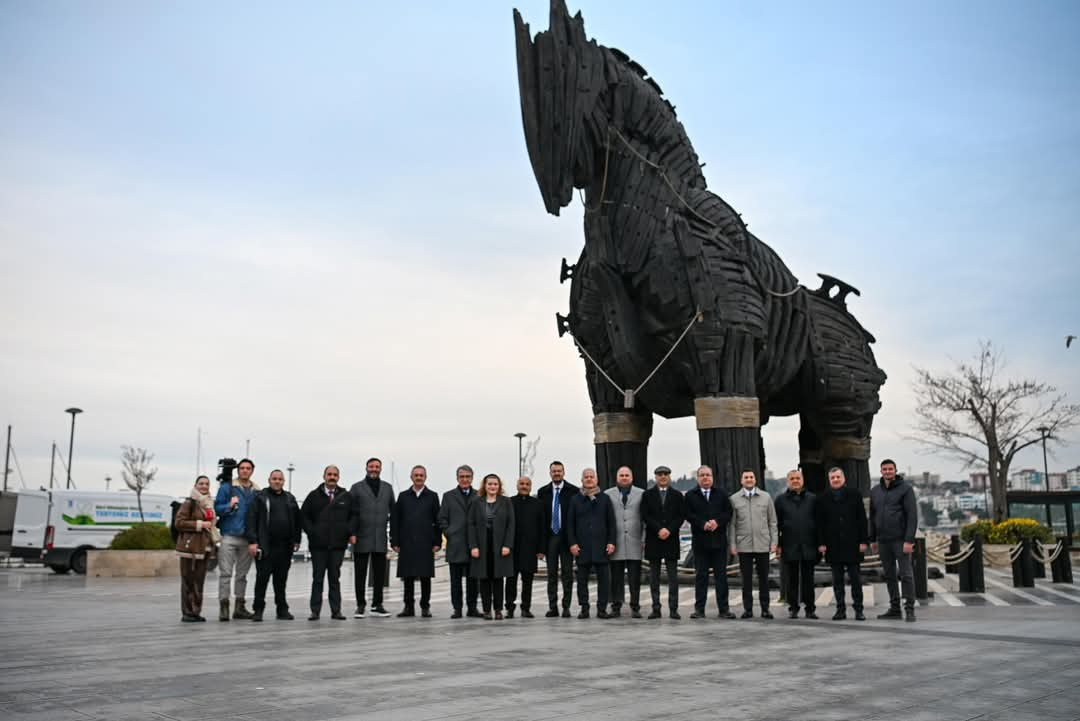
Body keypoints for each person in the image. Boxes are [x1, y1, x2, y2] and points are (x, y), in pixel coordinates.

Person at [245, 469, 302, 621]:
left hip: (285, 547)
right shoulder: (260, 498)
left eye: (280, 479)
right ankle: (258, 610)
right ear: (269, 480)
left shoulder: (290, 498)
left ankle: (282, 610)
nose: (277, 481)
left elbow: (297, 520)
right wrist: (252, 541)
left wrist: (297, 540)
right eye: (274, 479)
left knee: (281, 581)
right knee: (262, 580)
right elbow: (251, 520)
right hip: (265, 547)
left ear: (283, 481)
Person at [300, 465, 355, 621]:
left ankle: (336, 610)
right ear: (324, 476)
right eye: (329, 474)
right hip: (318, 546)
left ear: (339, 477)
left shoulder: (346, 496)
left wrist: (348, 531)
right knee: (317, 578)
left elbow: (354, 516)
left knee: (334, 579)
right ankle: (315, 611)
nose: (332, 477)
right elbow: (304, 516)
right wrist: (312, 532)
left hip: (337, 545)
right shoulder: (313, 496)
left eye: (335, 475)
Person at [816, 466, 868, 621]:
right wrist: (821, 543)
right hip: (833, 544)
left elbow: (862, 519)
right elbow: (820, 524)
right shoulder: (823, 497)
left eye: (838, 477)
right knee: (837, 581)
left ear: (843, 478)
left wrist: (863, 540)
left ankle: (859, 610)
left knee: (855, 579)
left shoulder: (854, 494)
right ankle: (840, 609)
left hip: (853, 544)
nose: (836, 480)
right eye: (833, 478)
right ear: (829, 480)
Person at [870, 458, 918, 622]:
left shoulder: (906, 489)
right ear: (881, 471)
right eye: (885, 469)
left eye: (891, 469)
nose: (888, 471)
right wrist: (873, 539)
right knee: (889, 575)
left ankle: (910, 609)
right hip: (883, 540)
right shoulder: (875, 491)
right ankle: (895, 608)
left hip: (900, 540)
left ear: (895, 470)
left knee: (906, 575)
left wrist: (909, 540)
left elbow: (912, 516)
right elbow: (872, 517)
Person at [684, 466, 735, 619]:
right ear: (698, 478)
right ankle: (699, 609)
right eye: (702, 475)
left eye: (708, 475)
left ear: (712, 477)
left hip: (719, 542)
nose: (705, 478)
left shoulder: (721, 494)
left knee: (721, 577)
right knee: (701, 577)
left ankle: (724, 609)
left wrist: (717, 522)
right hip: (700, 543)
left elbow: (728, 512)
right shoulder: (690, 495)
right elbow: (687, 514)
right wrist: (702, 524)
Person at [391, 465, 441, 618]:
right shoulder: (403, 496)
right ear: (411, 477)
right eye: (416, 475)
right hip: (407, 542)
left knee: (425, 576)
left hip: (426, 542)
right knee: (408, 576)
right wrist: (395, 541)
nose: (419, 477)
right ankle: (408, 607)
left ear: (425, 477)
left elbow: (437, 520)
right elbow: (396, 520)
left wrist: (437, 541)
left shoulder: (432, 496)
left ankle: (425, 607)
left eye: (421, 475)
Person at [566, 468, 616, 619]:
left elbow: (611, 523)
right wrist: (572, 544)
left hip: (601, 547)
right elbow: (570, 524)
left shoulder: (605, 499)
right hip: (582, 547)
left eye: (591, 477)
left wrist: (611, 542)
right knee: (582, 580)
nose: (589, 479)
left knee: (604, 581)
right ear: (582, 480)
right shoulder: (575, 500)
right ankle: (584, 608)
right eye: (586, 477)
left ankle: (602, 609)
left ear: (597, 480)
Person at [348, 457, 395, 618]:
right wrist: (351, 533)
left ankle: (377, 604)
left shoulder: (388, 488)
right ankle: (360, 605)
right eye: (371, 466)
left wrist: (393, 537)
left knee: (379, 574)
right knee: (360, 573)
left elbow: (393, 513)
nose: (374, 469)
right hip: (361, 537)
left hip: (380, 537)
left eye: (377, 466)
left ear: (380, 469)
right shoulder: (356, 488)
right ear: (366, 468)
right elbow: (350, 513)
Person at [214, 457, 259, 621]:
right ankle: (224, 607)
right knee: (225, 574)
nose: (245, 471)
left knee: (242, 575)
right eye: (242, 468)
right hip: (229, 536)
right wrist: (229, 505)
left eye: (248, 468)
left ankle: (239, 607)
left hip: (247, 538)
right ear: (238, 470)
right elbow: (217, 508)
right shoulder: (227, 488)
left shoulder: (256, 491)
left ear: (252, 471)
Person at [729, 469, 778, 619]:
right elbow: (732, 525)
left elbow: (773, 522)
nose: (749, 479)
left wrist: (774, 542)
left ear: (755, 479)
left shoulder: (766, 497)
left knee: (763, 579)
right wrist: (732, 544)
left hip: (763, 544)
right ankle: (748, 609)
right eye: (746, 477)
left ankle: (765, 609)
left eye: (751, 477)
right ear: (741, 480)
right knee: (747, 580)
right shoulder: (734, 499)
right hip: (744, 545)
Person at [467, 473, 516, 620]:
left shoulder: (506, 502)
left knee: (498, 579)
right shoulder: (476, 502)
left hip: (500, 546)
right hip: (482, 546)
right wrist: (473, 546)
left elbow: (511, 525)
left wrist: (507, 544)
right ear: (485, 486)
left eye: (495, 484)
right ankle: (487, 610)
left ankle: (498, 609)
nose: (492, 487)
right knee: (484, 579)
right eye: (490, 484)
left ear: (499, 486)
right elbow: (471, 525)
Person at [640, 465, 685, 619]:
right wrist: (659, 529)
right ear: (656, 477)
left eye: (666, 474)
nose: (663, 476)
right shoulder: (647, 495)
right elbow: (645, 515)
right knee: (654, 577)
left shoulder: (677, 495)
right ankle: (656, 608)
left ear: (670, 476)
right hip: (654, 539)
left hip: (671, 540)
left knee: (673, 577)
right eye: (660, 474)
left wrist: (669, 530)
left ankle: (674, 609)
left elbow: (681, 516)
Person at [774, 469, 818, 620]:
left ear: (802, 480)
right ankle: (793, 608)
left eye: (798, 478)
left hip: (809, 544)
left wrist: (820, 543)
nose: (795, 481)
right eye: (792, 478)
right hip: (789, 543)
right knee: (791, 579)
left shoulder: (812, 499)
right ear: (788, 481)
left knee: (808, 579)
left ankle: (810, 609)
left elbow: (819, 523)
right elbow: (776, 525)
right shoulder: (780, 500)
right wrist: (777, 545)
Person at [537, 461, 579, 618]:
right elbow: (541, 520)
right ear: (550, 473)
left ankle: (566, 606)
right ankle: (552, 606)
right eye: (554, 471)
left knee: (567, 574)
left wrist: (575, 541)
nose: (556, 473)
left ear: (564, 472)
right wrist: (541, 546)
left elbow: (575, 517)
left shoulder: (573, 491)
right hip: (551, 538)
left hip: (567, 538)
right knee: (552, 574)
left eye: (559, 471)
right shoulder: (543, 492)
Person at [175, 475, 219, 622]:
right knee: (188, 580)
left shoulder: (209, 504)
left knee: (199, 581)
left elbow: (211, 524)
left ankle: (196, 611)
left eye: (207, 484)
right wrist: (199, 524)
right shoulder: (190, 502)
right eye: (201, 483)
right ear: (195, 485)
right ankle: (187, 612)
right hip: (190, 548)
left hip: (205, 547)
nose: (204, 486)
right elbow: (179, 522)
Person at [438, 464, 480, 618]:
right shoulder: (448, 496)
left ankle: (472, 608)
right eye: (462, 477)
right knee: (455, 581)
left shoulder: (479, 495)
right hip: (455, 544)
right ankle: (457, 608)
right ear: (457, 478)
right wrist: (450, 532)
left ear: (472, 478)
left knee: (473, 581)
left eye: (467, 476)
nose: (465, 479)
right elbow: (442, 519)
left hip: (474, 545)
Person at [604, 465, 645, 618]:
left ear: (632, 477)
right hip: (616, 541)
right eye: (621, 475)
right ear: (617, 478)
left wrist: (644, 539)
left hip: (635, 540)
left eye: (627, 475)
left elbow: (644, 519)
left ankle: (635, 606)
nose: (624, 478)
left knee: (635, 577)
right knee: (616, 577)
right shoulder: (608, 494)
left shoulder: (641, 494)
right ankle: (616, 606)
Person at [506, 475, 545, 618]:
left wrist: (541, 549)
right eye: (521, 484)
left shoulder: (538, 504)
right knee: (511, 581)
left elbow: (542, 528)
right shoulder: (509, 502)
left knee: (527, 581)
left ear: (530, 487)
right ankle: (509, 608)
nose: (524, 486)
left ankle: (525, 608)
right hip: (512, 549)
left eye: (527, 484)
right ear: (517, 486)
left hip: (530, 549)